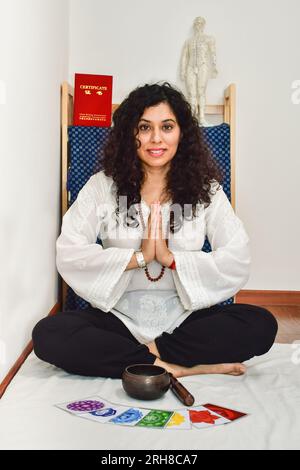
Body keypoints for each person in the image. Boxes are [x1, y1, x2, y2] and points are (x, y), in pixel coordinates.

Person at [32, 81, 278, 380]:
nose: (156, 139)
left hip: (184, 321)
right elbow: (70, 252)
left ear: (182, 133)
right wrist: (140, 256)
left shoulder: (207, 190)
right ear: (129, 134)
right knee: (49, 334)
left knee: (261, 324)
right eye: (144, 127)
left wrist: (170, 258)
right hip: (118, 320)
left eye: (167, 127)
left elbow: (237, 257)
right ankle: (175, 366)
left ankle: (146, 358)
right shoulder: (102, 186)